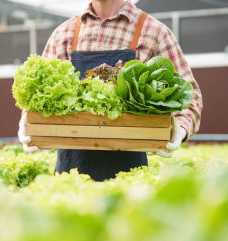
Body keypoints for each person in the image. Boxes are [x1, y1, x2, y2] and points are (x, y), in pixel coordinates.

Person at [18, 0, 203, 181]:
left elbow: (190, 94)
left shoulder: (154, 32)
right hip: (71, 174)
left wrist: (181, 128)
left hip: (129, 175)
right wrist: (29, 122)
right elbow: (39, 93)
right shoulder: (63, 34)